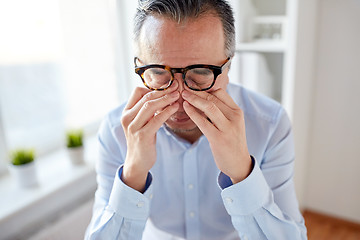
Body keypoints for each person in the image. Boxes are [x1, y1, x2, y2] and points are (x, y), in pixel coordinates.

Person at [85, 0, 307, 239]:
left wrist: (242, 172)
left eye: (201, 72)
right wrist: (133, 174)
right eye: (159, 72)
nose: (180, 97)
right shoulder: (115, 129)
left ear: (229, 65)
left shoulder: (270, 124)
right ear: (140, 66)